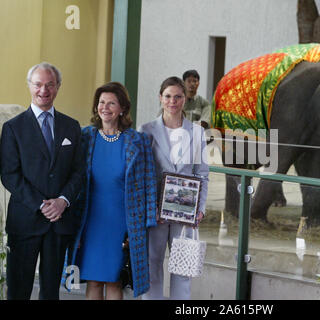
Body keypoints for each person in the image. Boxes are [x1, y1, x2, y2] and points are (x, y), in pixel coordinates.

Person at [0, 62, 84, 300]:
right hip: (25, 220)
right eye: (38, 84)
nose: (43, 90)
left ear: (58, 87)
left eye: (50, 84)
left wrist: (62, 201)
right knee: (18, 290)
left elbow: (79, 172)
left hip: (59, 222)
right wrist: (41, 204)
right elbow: (9, 174)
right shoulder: (13, 128)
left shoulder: (72, 126)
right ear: (30, 86)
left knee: (50, 293)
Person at [69, 82, 158, 299]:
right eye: (101, 102)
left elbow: (149, 180)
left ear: (122, 108)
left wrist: (147, 219)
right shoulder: (85, 137)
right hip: (90, 221)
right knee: (94, 280)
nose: (105, 107)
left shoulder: (138, 141)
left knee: (114, 280)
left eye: (111, 103)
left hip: (123, 222)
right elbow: (73, 178)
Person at [139, 76, 209, 300]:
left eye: (178, 97)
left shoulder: (197, 132)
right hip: (155, 213)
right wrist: (149, 209)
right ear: (160, 98)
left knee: (182, 270)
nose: (172, 101)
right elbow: (140, 174)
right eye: (168, 96)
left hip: (186, 214)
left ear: (185, 99)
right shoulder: (146, 130)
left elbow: (202, 175)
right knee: (152, 266)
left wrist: (200, 208)